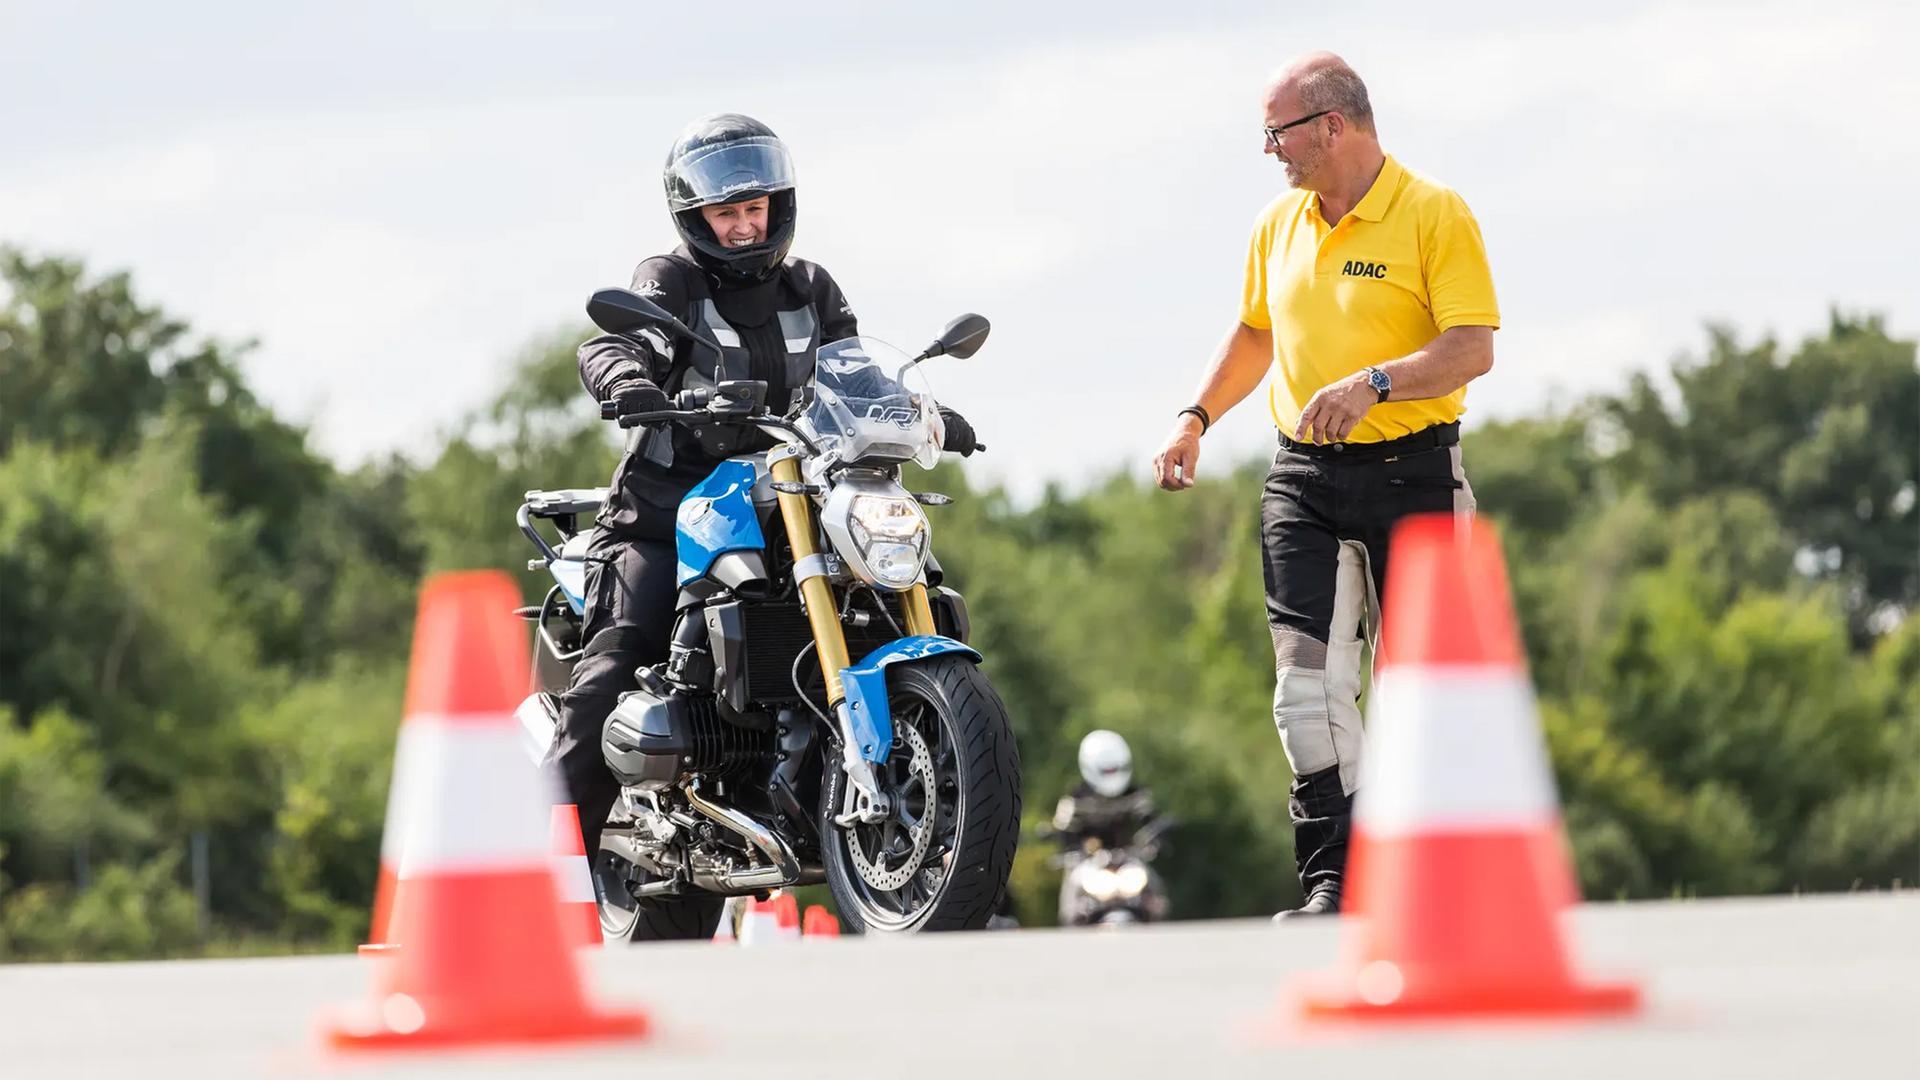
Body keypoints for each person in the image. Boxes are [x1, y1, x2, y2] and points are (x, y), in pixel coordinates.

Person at [550, 113, 983, 858]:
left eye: (755, 208)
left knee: (915, 599)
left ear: (779, 205)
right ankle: (538, 869)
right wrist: (625, 379)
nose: (745, 226)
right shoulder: (672, 281)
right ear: (696, 218)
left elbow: (857, 375)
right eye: (727, 213)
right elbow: (620, 342)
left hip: (794, 507)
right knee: (618, 662)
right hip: (667, 514)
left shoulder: (811, 287)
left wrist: (926, 413)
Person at [1150, 54, 1499, 919]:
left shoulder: (1434, 211)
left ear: (1332, 126)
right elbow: (1254, 333)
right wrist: (1195, 418)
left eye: (1278, 132)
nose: (1270, 150)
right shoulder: (1277, 224)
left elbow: (1472, 347)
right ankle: (1336, 881)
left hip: (1416, 474)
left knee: (1421, 692)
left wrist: (1375, 384)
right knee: (1304, 693)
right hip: (1302, 479)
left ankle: (1435, 884)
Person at [1050, 730, 1161, 852]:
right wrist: (1084, 846)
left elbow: (1152, 823)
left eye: (1115, 769)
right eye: (1106, 771)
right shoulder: (1075, 801)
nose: (1112, 776)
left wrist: (1154, 839)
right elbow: (1064, 835)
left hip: (1131, 860)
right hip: (1087, 861)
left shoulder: (1135, 795)